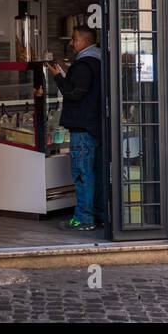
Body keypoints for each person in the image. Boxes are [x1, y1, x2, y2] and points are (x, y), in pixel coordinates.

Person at [50, 26, 105, 231]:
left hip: (83, 128)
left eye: (74, 40)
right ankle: (100, 214)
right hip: (99, 126)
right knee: (96, 173)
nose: (71, 44)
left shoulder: (83, 65)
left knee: (82, 174)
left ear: (83, 41)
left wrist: (58, 76)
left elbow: (74, 93)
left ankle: (83, 218)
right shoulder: (102, 62)